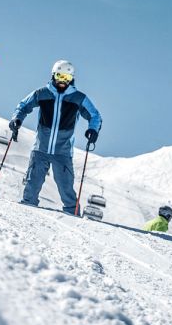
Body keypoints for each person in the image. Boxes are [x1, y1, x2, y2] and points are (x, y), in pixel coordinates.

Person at [8, 60, 102, 213]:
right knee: (32, 185)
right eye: (59, 76)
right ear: (53, 76)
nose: (62, 81)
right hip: (40, 148)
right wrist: (16, 119)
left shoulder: (78, 98)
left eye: (66, 78)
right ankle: (26, 212)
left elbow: (95, 115)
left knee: (66, 188)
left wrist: (93, 129)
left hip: (63, 151)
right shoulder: (42, 93)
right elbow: (23, 106)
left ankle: (73, 214)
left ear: (71, 78)